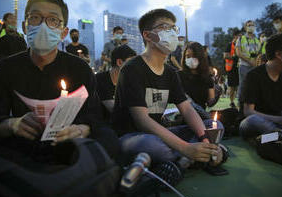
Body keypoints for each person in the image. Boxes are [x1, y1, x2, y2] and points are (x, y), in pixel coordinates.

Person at [0, 0, 119, 164]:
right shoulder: (4, 69)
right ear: (25, 27)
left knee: (109, 139)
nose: (43, 25)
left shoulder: (80, 69)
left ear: (63, 32)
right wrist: (12, 125)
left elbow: (93, 116)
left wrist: (80, 129)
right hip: (21, 146)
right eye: (35, 17)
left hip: (68, 144)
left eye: (53, 20)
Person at [113, 9, 227, 173]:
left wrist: (204, 138)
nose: (172, 33)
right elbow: (142, 121)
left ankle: (186, 159)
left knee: (214, 126)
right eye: (165, 27)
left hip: (160, 133)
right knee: (154, 147)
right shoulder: (131, 69)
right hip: (133, 136)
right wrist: (186, 147)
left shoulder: (170, 73)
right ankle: (196, 157)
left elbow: (186, 108)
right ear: (147, 35)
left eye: (174, 28)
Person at [96, 45, 136, 121]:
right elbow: (114, 109)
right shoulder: (100, 80)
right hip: (100, 123)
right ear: (119, 62)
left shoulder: (128, 83)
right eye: (132, 63)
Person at [178, 42, 215, 110]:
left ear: (200, 57)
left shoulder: (207, 77)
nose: (191, 59)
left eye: (194, 56)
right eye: (188, 56)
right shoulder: (179, 76)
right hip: (183, 114)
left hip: (201, 115)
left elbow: (210, 102)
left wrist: (215, 96)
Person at [235, 20, 260, 104]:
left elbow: (259, 53)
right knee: (243, 85)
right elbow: (238, 53)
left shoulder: (257, 40)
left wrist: (256, 62)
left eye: (253, 25)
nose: (251, 27)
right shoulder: (241, 38)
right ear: (245, 27)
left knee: (254, 86)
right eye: (249, 25)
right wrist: (250, 61)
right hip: (244, 66)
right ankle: (241, 103)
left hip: (255, 66)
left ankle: (254, 103)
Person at [224, 30, 240, 108]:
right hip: (231, 69)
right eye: (239, 36)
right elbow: (225, 56)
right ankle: (232, 102)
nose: (240, 38)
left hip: (239, 68)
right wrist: (234, 57)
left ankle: (239, 101)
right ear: (235, 36)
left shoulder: (241, 45)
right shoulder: (230, 45)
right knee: (232, 87)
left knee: (239, 86)